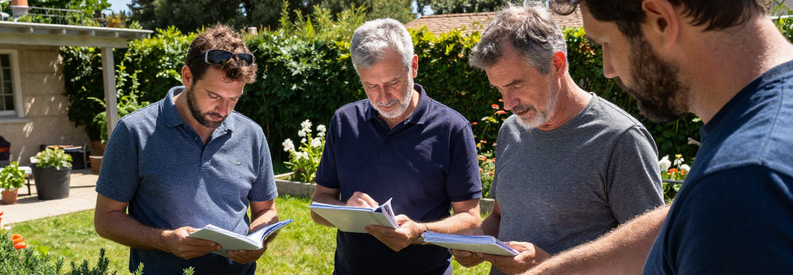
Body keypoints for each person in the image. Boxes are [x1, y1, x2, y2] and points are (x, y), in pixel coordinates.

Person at [523, 0, 793, 274]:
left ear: (662, 20)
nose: (608, 68)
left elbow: (725, 207)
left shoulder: (741, 182)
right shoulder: (755, 144)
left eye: (606, 41)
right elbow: (683, 219)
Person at [449, 4, 664, 275]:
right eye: (499, 89)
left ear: (557, 64)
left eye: (517, 84)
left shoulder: (620, 140)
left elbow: (650, 254)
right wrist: (478, 242)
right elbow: (502, 216)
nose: (507, 103)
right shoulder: (511, 130)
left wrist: (548, 266)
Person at [94, 25, 280, 274]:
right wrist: (165, 240)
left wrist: (259, 240)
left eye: (234, 99)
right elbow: (106, 219)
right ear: (187, 77)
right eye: (214, 95)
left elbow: (266, 210)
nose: (224, 111)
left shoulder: (251, 134)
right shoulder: (135, 132)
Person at [309, 18, 483, 275]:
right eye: (371, 86)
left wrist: (420, 231)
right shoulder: (344, 121)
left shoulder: (452, 129)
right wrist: (345, 208)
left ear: (413, 67)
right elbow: (318, 208)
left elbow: (471, 217)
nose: (383, 97)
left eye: (393, 82)